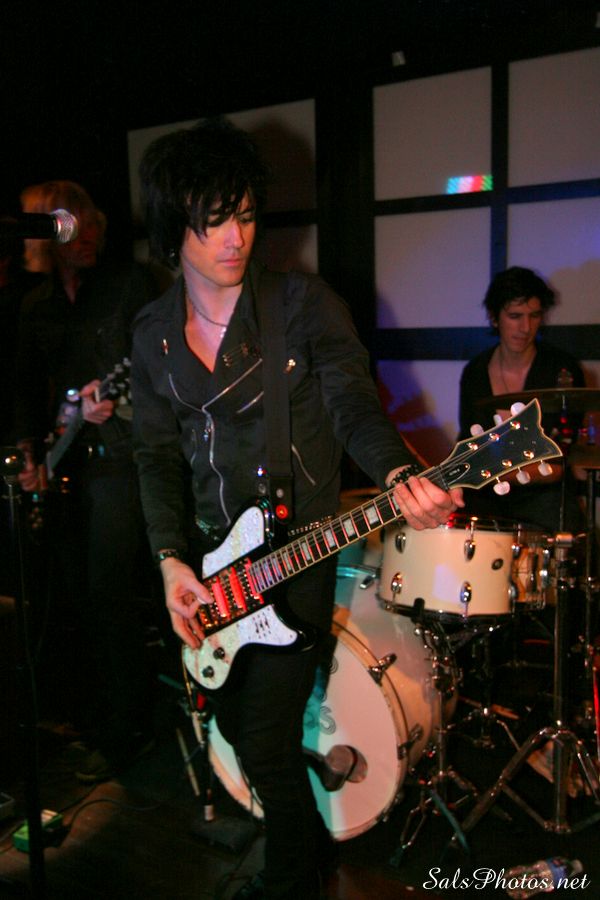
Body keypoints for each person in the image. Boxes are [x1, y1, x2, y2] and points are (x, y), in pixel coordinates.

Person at [131, 117, 463, 900]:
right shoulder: (152, 336)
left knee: (264, 738)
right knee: (235, 730)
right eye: (213, 221)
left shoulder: (303, 306)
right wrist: (172, 561)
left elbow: (355, 408)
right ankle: (310, 851)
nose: (235, 238)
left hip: (298, 556)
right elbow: (154, 457)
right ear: (173, 227)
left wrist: (397, 474)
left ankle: (291, 882)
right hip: (211, 567)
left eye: (245, 215)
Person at [13, 180, 160, 782]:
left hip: (124, 457)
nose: (89, 234)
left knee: (108, 591)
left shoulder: (130, 284)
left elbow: (160, 362)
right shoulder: (36, 307)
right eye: (72, 226)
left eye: (93, 221)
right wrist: (31, 452)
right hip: (66, 463)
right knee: (76, 595)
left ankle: (130, 730)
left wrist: (117, 401)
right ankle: (96, 718)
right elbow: (25, 387)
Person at [458, 266, 585, 535]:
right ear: (494, 317)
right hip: (487, 498)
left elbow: (562, 457)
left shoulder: (561, 370)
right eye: (515, 316)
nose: (525, 328)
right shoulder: (475, 372)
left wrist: (503, 473)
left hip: (544, 498)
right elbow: (468, 443)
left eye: (534, 316)